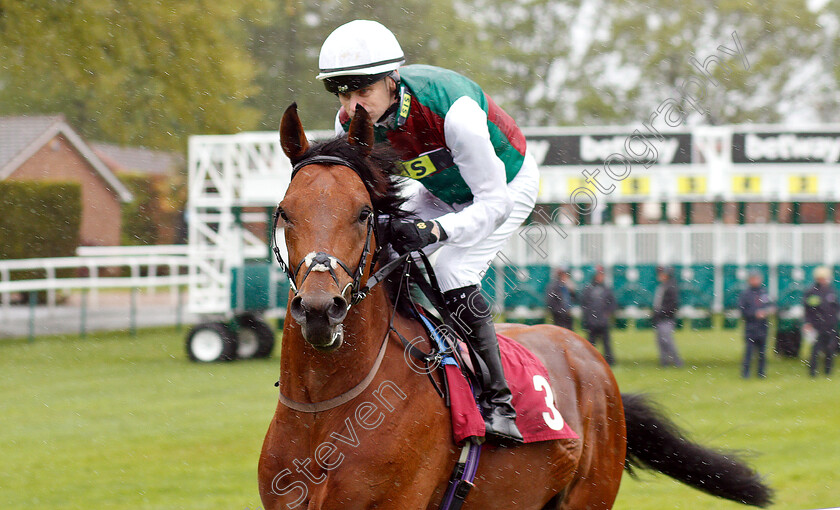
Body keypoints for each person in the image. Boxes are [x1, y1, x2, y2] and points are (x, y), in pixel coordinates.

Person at [316, 20, 540, 443]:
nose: (352, 106)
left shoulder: (454, 113)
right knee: (378, 241)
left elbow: (493, 204)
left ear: (391, 78)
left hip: (506, 187)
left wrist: (435, 231)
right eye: (343, 93)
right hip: (440, 189)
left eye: (363, 91)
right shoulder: (351, 121)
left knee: (453, 269)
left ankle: (500, 403)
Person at [803, 266, 839, 378]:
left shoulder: (831, 290)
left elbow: (836, 306)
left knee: (830, 348)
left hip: (830, 324)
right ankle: (812, 372)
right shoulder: (811, 292)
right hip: (816, 325)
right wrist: (808, 323)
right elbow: (808, 309)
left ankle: (828, 371)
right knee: (815, 349)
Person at [738, 271, 774, 378]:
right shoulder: (745, 294)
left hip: (763, 327)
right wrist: (755, 314)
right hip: (751, 327)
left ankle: (761, 373)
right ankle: (746, 373)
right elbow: (742, 310)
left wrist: (769, 311)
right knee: (749, 352)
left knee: (762, 353)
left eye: (757, 279)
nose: (756, 281)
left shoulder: (764, 292)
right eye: (753, 279)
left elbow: (772, 305)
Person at [580, 266, 616, 365]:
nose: (601, 277)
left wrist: (607, 313)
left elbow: (612, 303)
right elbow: (584, 305)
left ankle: (609, 361)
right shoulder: (588, 289)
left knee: (606, 343)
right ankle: (589, 361)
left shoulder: (606, 289)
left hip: (603, 322)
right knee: (591, 344)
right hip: (592, 322)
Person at [652, 266, 683, 367]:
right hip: (663, 317)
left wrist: (660, 312)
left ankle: (675, 361)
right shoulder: (665, 286)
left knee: (666, 340)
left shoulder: (670, 287)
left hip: (666, 317)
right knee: (662, 340)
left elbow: (672, 304)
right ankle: (665, 361)